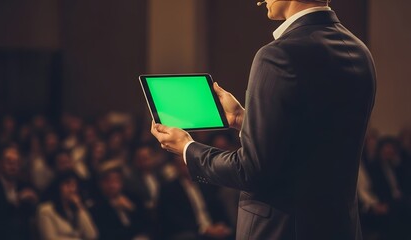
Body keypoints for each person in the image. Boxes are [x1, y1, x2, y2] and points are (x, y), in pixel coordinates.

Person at [150, 0, 376, 239]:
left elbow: (251, 170)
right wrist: (242, 118)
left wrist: (187, 148)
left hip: (282, 230)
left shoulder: (277, 54)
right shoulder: (359, 51)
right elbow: (313, 141)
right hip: (339, 227)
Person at [37, 171, 98, 240]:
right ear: (58, 187)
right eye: (67, 185)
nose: (72, 189)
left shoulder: (75, 209)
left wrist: (79, 207)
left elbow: (91, 235)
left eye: (74, 185)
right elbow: (49, 238)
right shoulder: (46, 210)